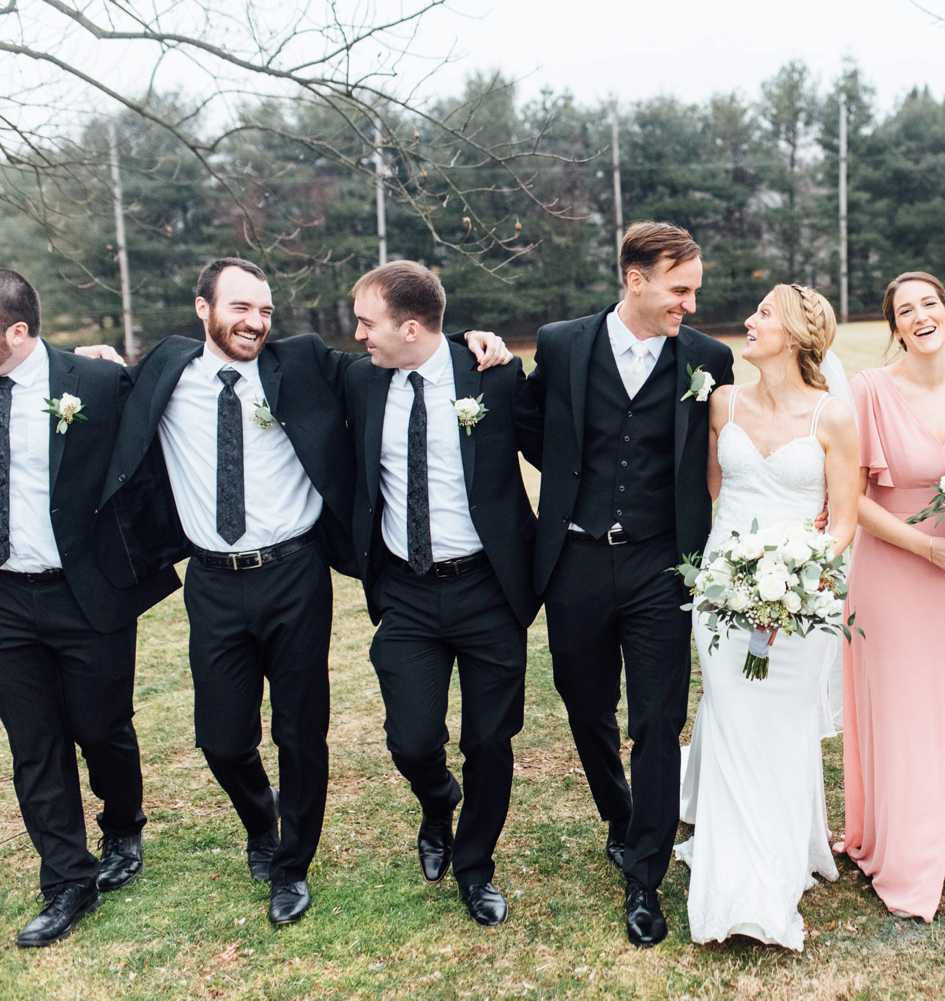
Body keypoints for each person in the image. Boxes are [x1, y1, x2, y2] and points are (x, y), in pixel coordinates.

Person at [99, 258, 506, 926]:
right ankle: (262, 823)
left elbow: (400, 351)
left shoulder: (305, 363)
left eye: (264, 309)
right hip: (212, 580)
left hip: (295, 574)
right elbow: (100, 385)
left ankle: (291, 863)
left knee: (300, 731)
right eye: (240, 307)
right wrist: (87, 356)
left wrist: (468, 339)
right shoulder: (166, 372)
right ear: (203, 308)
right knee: (222, 739)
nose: (255, 321)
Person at [517, 222, 735, 947]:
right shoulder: (562, 342)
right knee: (585, 706)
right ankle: (620, 815)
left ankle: (645, 872)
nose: (690, 304)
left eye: (695, 290)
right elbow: (525, 425)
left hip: (660, 563)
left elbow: (726, 445)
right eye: (680, 289)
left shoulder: (708, 358)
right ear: (634, 279)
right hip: (575, 560)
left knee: (657, 718)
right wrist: (483, 357)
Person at [343, 261, 538, 925]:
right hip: (407, 592)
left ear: (412, 325)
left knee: (490, 739)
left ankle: (475, 864)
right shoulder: (361, 383)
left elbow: (558, 446)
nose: (359, 334)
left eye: (367, 322)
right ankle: (436, 801)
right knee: (410, 739)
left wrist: (487, 340)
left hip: (487, 588)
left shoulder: (494, 375)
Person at [674, 283, 859, 949]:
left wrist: (795, 580)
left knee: (779, 726)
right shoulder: (723, 402)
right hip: (723, 594)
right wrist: (739, 576)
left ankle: (772, 871)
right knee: (730, 719)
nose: (749, 322)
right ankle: (730, 875)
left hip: (800, 600)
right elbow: (716, 493)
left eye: (764, 314)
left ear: (800, 334)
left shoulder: (833, 417)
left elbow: (842, 522)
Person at [0, 270, 178, 947]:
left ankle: (124, 826)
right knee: (33, 743)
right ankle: (67, 878)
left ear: (18, 331)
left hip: (86, 592)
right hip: (7, 598)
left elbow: (157, 456)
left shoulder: (97, 385)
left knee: (101, 727)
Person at [841, 271, 945, 920]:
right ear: (894, 327)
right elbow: (849, 494)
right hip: (895, 571)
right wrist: (924, 546)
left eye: (929, 304)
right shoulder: (870, 391)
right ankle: (908, 851)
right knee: (906, 709)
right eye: (905, 310)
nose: (920, 316)